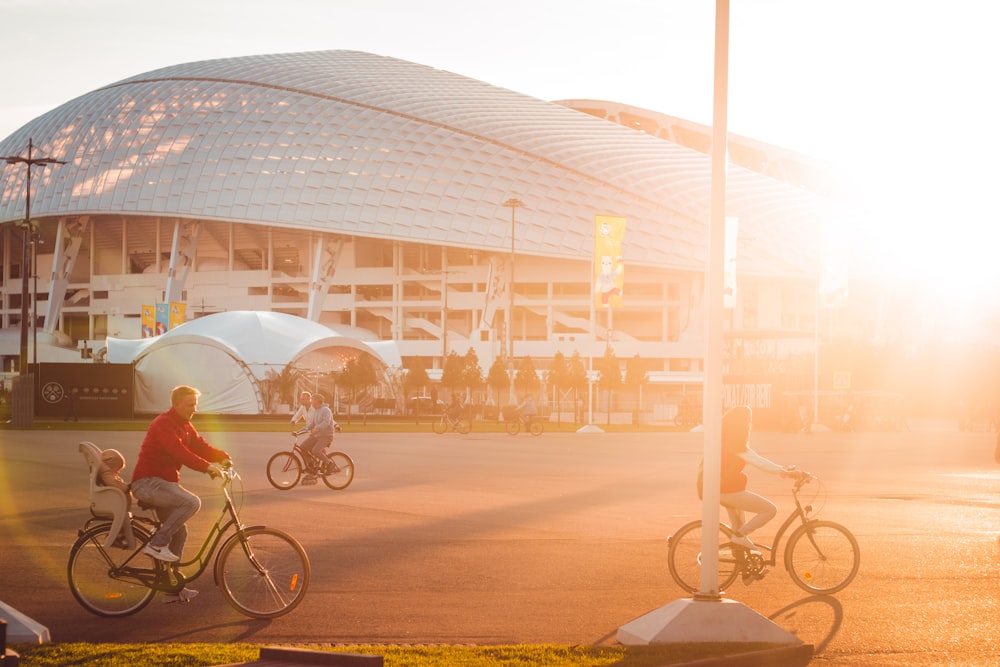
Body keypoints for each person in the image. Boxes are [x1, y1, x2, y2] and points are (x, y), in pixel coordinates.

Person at [130, 385, 231, 603]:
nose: (194, 409)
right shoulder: (163, 424)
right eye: (189, 404)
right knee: (192, 503)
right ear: (175, 404)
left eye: (195, 404)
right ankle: (156, 544)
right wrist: (207, 468)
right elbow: (179, 452)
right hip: (147, 483)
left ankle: (171, 588)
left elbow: (200, 446)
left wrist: (222, 457)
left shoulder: (185, 425)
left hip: (163, 484)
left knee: (181, 533)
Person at [716, 405, 801, 550]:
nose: (750, 423)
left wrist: (782, 470)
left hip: (724, 490)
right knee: (769, 510)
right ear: (741, 423)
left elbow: (755, 458)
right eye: (748, 420)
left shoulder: (727, 440)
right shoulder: (735, 444)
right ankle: (739, 536)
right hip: (730, 492)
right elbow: (758, 462)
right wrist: (783, 472)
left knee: (739, 528)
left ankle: (742, 563)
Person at [297, 393, 336, 483]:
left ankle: (330, 463)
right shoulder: (317, 410)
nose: (311, 401)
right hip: (317, 436)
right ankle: (311, 466)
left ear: (317, 401)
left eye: (312, 400)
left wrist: (317, 429)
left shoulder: (326, 410)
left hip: (326, 436)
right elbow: (312, 425)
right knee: (303, 447)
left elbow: (327, 422)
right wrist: (299, 432)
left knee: (315, 451)